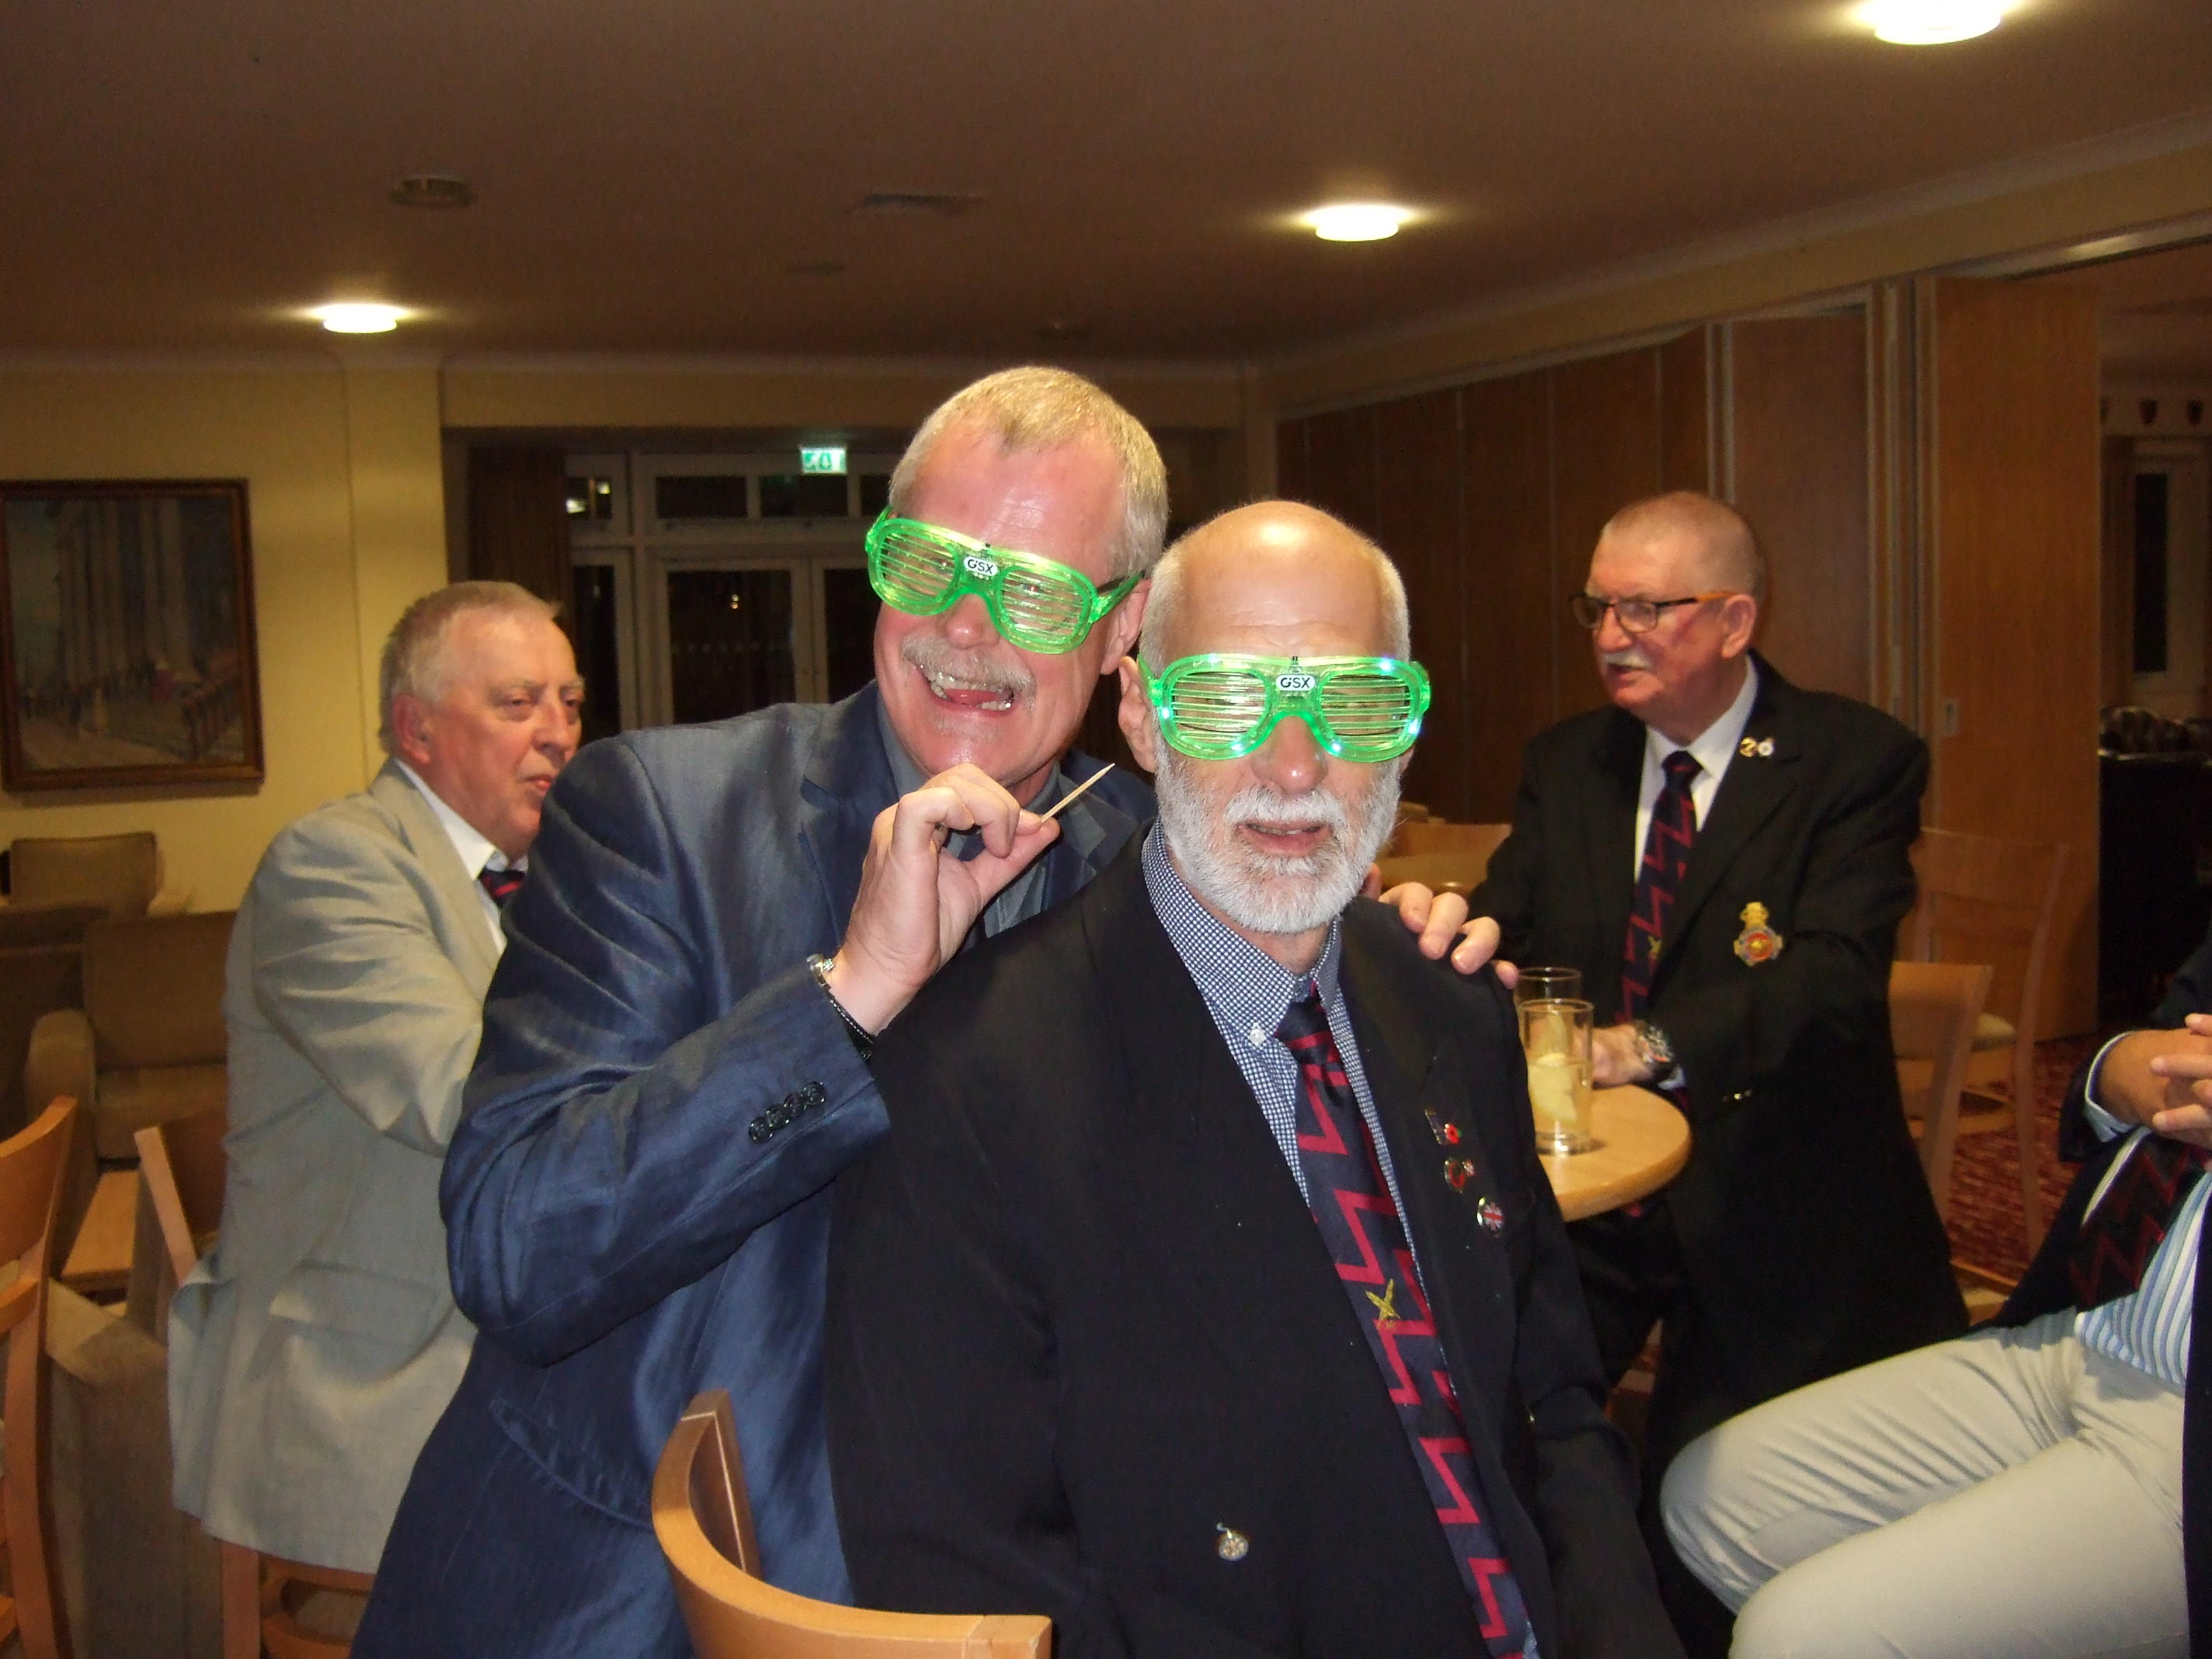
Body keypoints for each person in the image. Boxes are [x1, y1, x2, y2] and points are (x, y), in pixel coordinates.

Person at [355, 371, 1491, 1657]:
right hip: (647, 1594)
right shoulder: (662, 818)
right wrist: (843, 1002)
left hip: (1036, 1581)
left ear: (1120, 632)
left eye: (1034, 592)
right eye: (930, 565)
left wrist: (1390, 973)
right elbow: (517, 1251)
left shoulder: (1159, 866)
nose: (964, 624)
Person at [829, 502, 1679, 1659]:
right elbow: (962, 1567)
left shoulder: (1455, 1007)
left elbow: (1558, 1408)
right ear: (1140, 714)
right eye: (1228, 700)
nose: (1294, 763)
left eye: (1351, 701)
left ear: (1405, 729)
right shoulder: (970, 1078)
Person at [1467, 491, 1966, 1647]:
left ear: (1736, 621)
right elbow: (1508, 921)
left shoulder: (1852, 760)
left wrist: (1642, 1048)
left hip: (1775, 1184)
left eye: (1647, 609)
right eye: (1599, 607)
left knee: (1707, 1511)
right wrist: (1450, 945)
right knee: (1495, 1419)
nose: (1611, 635)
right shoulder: (1569, 763)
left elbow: (1832, 978)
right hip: (1598, 1187)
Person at [168, 581, 582, 1574]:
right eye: (518, 703)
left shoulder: (554, 877)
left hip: (512, 1344)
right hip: (372, 1379)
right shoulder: (329, 866)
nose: (559, 735)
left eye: (570, 703)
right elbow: (465, 1097)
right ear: (416, 731)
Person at [1659, 951, 2212, 1659]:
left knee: (1793, 1637)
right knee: (1713, 1502)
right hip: (2090, 1329)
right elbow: (2120, 1063)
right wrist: (2141, 1071)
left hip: (2182, 1426)